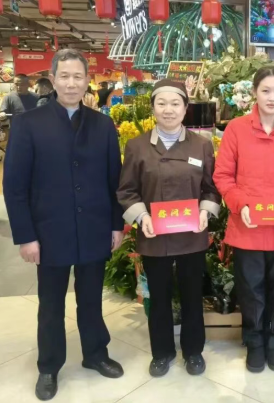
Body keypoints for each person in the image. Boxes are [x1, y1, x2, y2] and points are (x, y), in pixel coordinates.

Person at [3, 49, 125, 401]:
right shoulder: (28, 124)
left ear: (88, 81)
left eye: (78, 77)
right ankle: (49, 366)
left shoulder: (102, 125)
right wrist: (26, 236)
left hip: (94, 228)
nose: (72, 83)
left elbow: (114, 180)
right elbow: (14, 186)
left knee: (91, 300)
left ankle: (95, 354)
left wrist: (116, 225)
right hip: (49, 232)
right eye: (65, 76)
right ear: (53, 80)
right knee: (51, 304)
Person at [117, 79, 221, 378]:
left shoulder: (202, 145)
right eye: (161, 103)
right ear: (153, 108)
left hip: (191, 235)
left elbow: (211, 188)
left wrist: (205, 212)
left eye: (175, 103)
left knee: (192, 295)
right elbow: (127, 191)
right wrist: (142, 217)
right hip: (154, 235)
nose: (168, 109)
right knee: (159, 298)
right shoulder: (137, 146)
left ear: (185, 108)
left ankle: (193, 351)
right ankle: (161, 352)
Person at [213, 66, 274, 373]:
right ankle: (255, 341)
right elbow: (223, 175)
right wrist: (239, 204)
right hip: (248, 227)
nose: (272, 97)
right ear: (254, 92)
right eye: (265, 90)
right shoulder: (236, 129)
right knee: (250, 288)